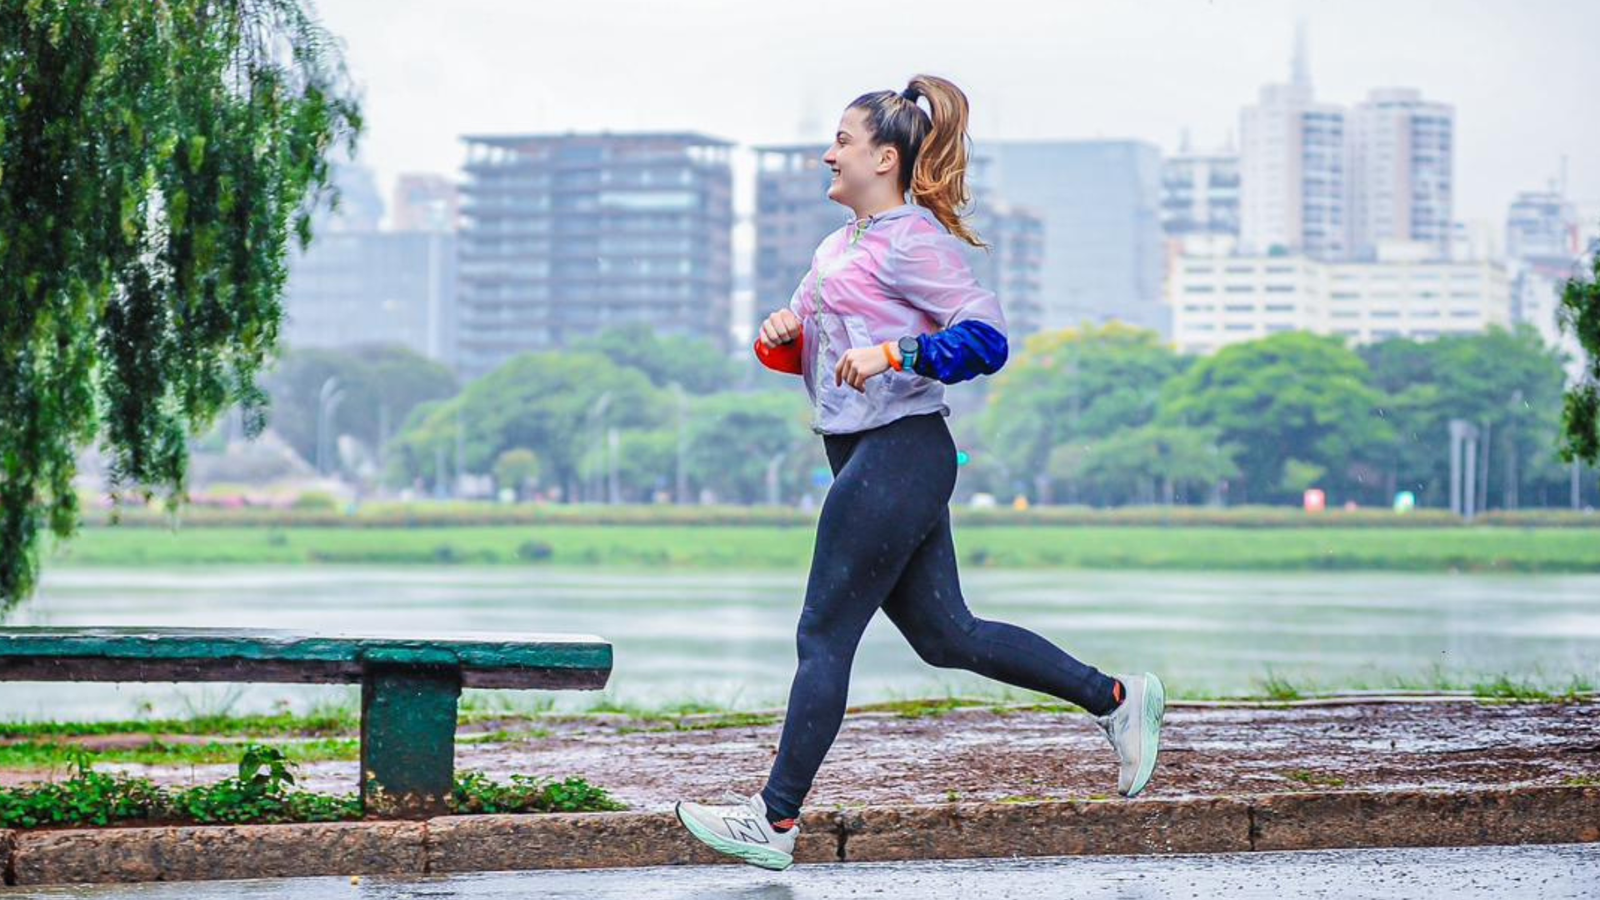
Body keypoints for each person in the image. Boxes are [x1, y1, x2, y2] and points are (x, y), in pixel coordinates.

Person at [673, 74, 1165, 872]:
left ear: (886, 157)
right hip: (867, 450)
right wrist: (781, 333)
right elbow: (816, 356)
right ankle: (1115, 698)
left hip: (903, 448)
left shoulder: (915, 239)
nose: (826, 153)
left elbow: (988, 339)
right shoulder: (837, 247)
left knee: (822, 632)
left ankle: (775, 820)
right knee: (947, 636)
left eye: (841, 140)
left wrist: (902, 352)